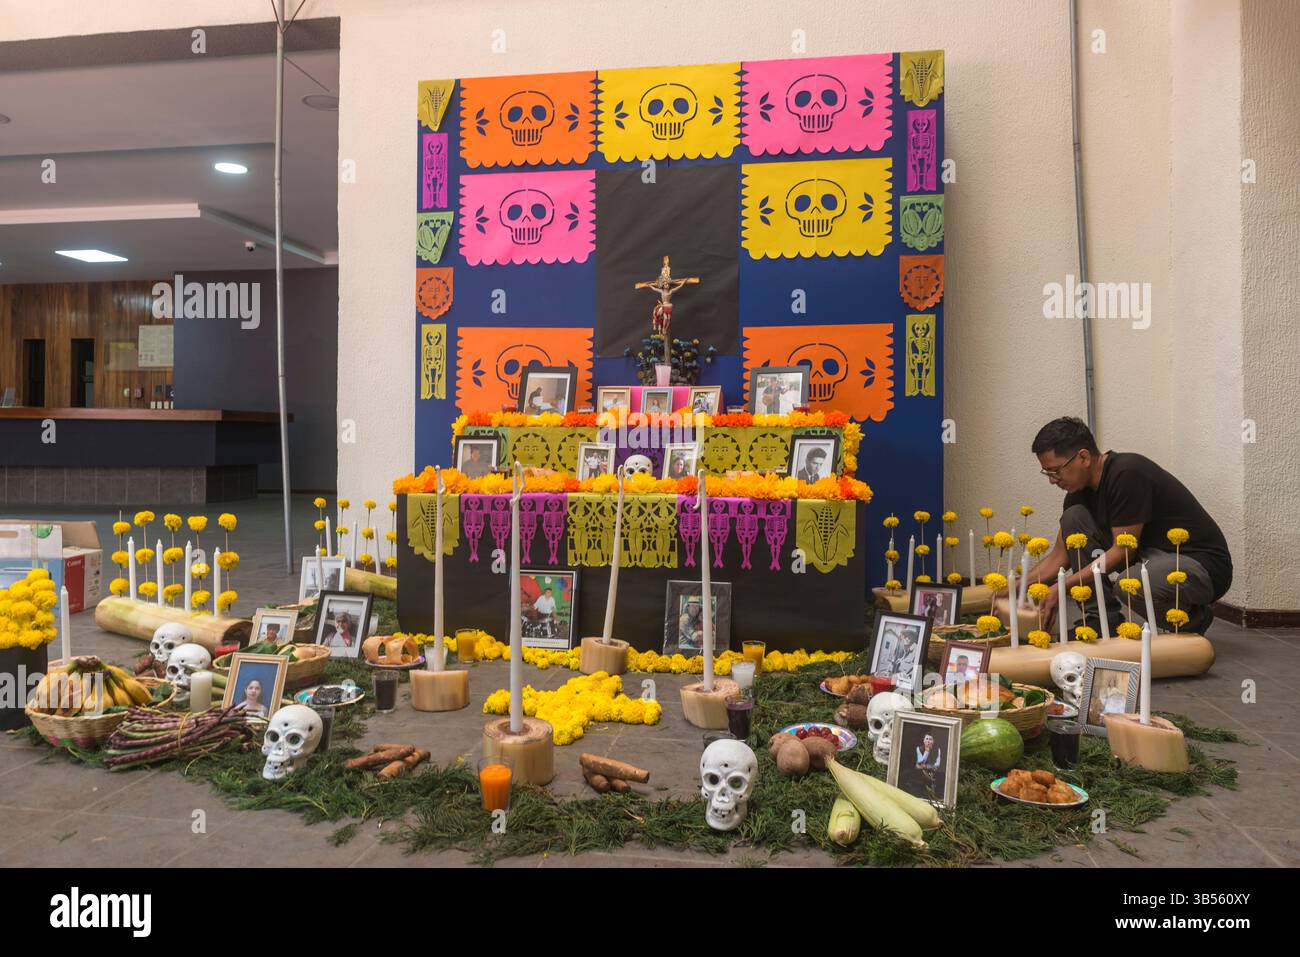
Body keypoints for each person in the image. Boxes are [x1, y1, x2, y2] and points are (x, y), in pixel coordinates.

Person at [1025, 417, 1231, 635]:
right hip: (1151, 561)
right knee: (1073, 518)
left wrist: (1061, 588)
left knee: (1130, 584)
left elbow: (1123, 551)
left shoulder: (1126, 473)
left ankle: (1194, 621)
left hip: (1201, 564)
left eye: (1056, 471)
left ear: (1083, 457)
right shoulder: (1077, 493)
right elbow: (1059, 557)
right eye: (1048, 473)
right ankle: (1102, 621)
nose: (1052, 480)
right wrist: (1017, 585)